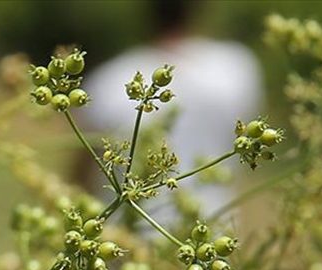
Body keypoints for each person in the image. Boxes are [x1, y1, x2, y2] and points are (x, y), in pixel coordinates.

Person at [78, 0, 263, 227]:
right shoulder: (236, 69)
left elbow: (79, 177)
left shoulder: (110, 80)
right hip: (212, 238)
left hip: (123, 242)